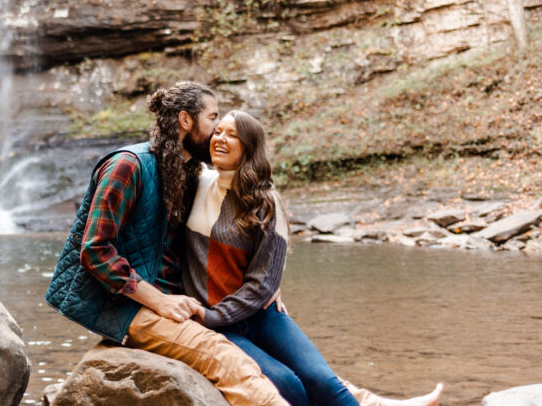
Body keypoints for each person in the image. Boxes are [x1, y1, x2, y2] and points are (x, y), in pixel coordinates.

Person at [46, 81, 290, 406]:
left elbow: (213, 239)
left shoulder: (185, 172)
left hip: (175, 301)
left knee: (290, 372)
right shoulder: (127, 165)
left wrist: (270, 285)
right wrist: (158, 301)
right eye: (212, 117)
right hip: (126, 306)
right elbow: (94, 250)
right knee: (223, 356)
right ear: (186, 121)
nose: (219, 129)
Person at [183, 110, 444, 406]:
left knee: (321, 379)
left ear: (249, 148)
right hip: (220, 323)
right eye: (217, 131)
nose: (220, 138)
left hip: (258, 314)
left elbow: (262, 284)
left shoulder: (267, 203)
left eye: (232, 135)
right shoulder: (197, 182)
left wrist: (214, 314)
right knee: (286, 384)